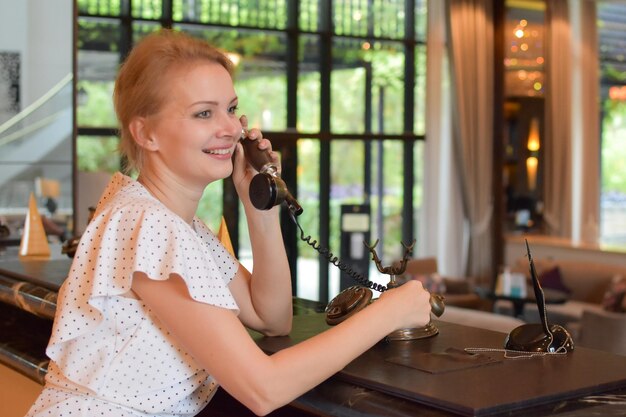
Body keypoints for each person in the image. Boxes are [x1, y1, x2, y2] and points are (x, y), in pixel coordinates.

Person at [25, 29, 432, 417]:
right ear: (145, 133)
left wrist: (259, 206)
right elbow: (263, 389)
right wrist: (387, 314)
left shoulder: (182, 228)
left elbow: (271, 318)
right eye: (204, 113)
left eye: (231, 108)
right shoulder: (147, 225)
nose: (231, 129)